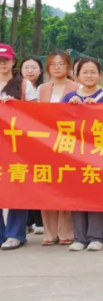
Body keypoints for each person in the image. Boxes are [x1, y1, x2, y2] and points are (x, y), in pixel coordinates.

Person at [62, 58, 103, 251]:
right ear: (77, 75)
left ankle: (97, 237)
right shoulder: (69, 97)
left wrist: (99, 111)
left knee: (97, 195)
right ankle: (79, 237)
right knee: (77, 194)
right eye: (84, 72)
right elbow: (58, 122)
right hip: (75, 155)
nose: (89, 75)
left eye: (93, 72)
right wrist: (71, 108)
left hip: (99, 155)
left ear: (100, 75)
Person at [37, 49, 80, 246]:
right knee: (46, 187)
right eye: (53, 64)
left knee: (66, 188)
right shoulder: (42, 89)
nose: (57, 68)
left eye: (61, 64)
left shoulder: (77, 87)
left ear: (68, 67)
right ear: (48, 68)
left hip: (68, 145)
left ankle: (66, 231)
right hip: (45, 144)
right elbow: (33, 114)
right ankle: (49, 231)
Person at [0, 43, 37, 250]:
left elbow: (35, 113)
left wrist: (16, 106)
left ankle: (15, 234)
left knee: (16, 186)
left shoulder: (24, 85)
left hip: (16, 144)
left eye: (6, 60)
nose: (2, 64)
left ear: (13, 61)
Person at [20, 56, 44, 234]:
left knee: (39, 179)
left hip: (42, 141)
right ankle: (28, 220)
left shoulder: (44, 89)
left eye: (33, 67)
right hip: (20, 141)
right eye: (26, 67)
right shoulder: (17, 88)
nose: (30, 71)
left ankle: (39, 221)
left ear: (41, 70)